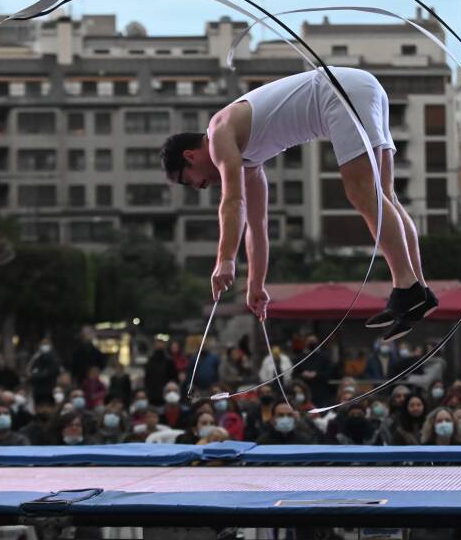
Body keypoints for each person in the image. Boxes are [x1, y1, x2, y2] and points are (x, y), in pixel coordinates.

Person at [160, 66, 438, 342]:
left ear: (191, 156)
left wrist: (225, 260)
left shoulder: (219, 131)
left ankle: (405, 286)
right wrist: (256, 284)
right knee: (385, 196)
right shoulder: (249, 161)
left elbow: (232, 201)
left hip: (339, 93)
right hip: (362, 87)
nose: (200, 186)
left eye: (190, 181)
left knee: (361, 191)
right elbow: (257, 226)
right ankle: (420, 292)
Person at [144, 340, 178, 406]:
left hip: (166, 394)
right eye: (158, 343)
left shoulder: (169, 361)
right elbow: (147, 378)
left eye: (161, 343)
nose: (159, 345)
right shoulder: (150, 360)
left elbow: (173, 378)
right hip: (153, 394)